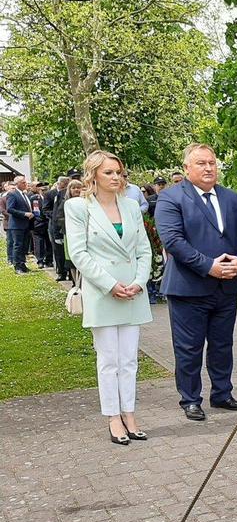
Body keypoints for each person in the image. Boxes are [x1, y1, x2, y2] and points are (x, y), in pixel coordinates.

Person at [155, 143, 237, 421]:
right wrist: (208, 266)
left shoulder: (231, 198)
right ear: (187, 168)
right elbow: (173, 241)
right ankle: (190, 398)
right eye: (201, 163)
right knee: (189, 347)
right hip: (189, 287)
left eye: (212, 162)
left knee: (223, 344)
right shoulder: (171, 198)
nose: (209, 168)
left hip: (227, 285)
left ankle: (222, 393)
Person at [64, 150, 153, 445]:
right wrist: (110, 284)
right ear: (93, 176)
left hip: (133, 292)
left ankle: (129, 412)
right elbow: (79, 253)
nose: (116, 177)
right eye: (109, 173)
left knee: (129, 359)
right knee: (109, 359)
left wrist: (140, 282)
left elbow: (143, 249)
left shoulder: (129, 206)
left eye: (119, 172)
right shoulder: (79, 207)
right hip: (103, 292)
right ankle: (113, 416)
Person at [6, 175, 34, 274]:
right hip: (17, 225)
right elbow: (10, 209)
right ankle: (17, 266)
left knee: (24, 246)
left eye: (25, 182)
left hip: (26, 224)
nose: (25, 184)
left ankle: (22, 264)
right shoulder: (13, 194)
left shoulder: (24, 194)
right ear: (17, 184)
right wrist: (24, 214)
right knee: (18, 245)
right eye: (23, 182)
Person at [46, 176, 71, 280]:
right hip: (56, 225)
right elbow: (47, 209)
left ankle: (70, 272)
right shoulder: (53, 194)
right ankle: (61, 272)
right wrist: (57, 218)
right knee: (59, 251)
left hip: (69, 226)